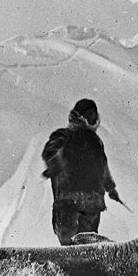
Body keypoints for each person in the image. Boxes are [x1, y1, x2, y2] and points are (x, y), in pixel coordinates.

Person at [41, 98, 124, 245]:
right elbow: (103, 167)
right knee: (86, 243)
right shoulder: (92, 141)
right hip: (89, 203)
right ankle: (84, 261)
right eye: (90, 116)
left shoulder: (67, 136)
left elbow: (50, 152)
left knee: (69, 242)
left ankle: (73, 261)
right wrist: (111, 189)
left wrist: (111, 189)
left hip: (70, 202)